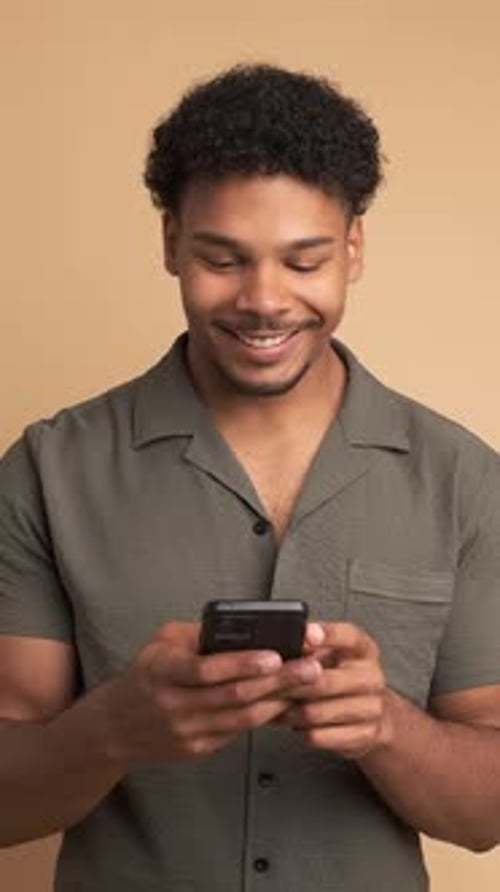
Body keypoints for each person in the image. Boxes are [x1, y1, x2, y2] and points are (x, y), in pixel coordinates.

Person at [1, 63, 499, 892]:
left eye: (303, 261)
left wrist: (383, 727)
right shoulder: (49, 470)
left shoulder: (465, 480)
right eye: (223, 259)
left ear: (353, 248)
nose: (265, 301)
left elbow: (488, 819)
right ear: (170, 244)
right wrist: (114, 728)